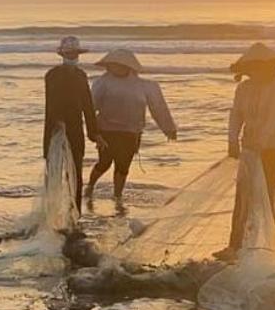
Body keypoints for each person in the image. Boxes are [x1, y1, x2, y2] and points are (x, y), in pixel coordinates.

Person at [219, 41, 275, 259]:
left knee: (268, 197)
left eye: (257, 67)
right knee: (243, 198)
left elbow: (274, 116)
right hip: (249, 148)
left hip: (273, 148)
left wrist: (262, 142)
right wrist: (232, 140)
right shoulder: (244, 88)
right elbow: (236, 114)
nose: (253, 72)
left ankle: (268, 246)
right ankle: (235, 246)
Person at [86, 48, 177, 211]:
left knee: (123, 165)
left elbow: (158, 108)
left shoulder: (145, 86)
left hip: (131, 132)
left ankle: (117, 195)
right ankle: (90, 186)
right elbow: (90, 108)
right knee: (104, 162)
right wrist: (93, 132)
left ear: (128, 66)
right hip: (107, 130)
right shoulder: (102, 82)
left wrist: (168, 128)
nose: (113, 68)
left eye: (117, 65)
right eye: (111, 65)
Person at [43, 35, 102, 212]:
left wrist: (94, 133)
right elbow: (52, 103)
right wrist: (58, 124)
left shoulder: (81, 75)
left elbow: (88, 106)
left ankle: (74, 212)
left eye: (75, 53)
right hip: (55, 129)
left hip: (76, 129)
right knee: (53, 172)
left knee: (75, 173)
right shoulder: (53, 75)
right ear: (62, 55)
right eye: (69, 53)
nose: (72, 56)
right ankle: (50, 212)